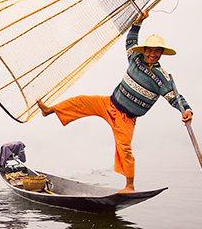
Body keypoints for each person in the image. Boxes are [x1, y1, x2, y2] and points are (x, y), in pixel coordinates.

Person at [36, 12, 192, 193]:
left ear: (161, 53)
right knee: (81, 101)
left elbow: (174, 96)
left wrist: (185, 110)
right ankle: (50, 111)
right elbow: (130, 41)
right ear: (145, 50)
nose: (152, 54)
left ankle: (129, 186)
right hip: (109, 103)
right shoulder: (136, 59)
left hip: (126, 118)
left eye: (157, 51)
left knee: (124, 148)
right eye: (149, 50)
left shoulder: (162, 78)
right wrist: (138, 22)